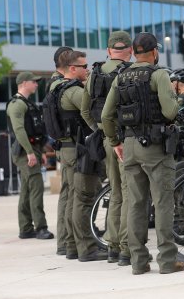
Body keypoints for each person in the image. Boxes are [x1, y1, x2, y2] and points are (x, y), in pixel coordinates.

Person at [100, 32, 184, 275]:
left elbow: (107, 115)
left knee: (136, 204)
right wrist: (176, 99)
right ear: (154, 52)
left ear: (134, 53)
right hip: (156, 147)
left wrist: (114, 141)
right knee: (162, 203)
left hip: (129, 146)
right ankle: (167, 262)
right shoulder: (158, 74)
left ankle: (138, 262)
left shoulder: (121, 76)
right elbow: (170, 112)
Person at [81, 30, 133, 265]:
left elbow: (85, 110)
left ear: (108, 50)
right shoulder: (130, 72)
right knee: (130, 193)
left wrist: (102, 130)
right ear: (130, 50)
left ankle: (112, 245)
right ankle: (125, 248)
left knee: (115, 192)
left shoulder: (94, 73)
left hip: (105, 137)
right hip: (126, 140)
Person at [50, 50, 106, 262]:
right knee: (83, 197)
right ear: (72, 69)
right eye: (84, 66)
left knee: (74, 197)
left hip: (69, 149)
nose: (88, 69)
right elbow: (93, 111)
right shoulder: (72, 91)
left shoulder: (58, 87)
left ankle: (72, 245)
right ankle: (87, 248)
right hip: (78, 150)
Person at [7, 71, 54, 240]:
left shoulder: (27, 103)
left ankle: (26, 228)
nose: (36, 84)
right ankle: (41, 227)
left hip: (32, 149)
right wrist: (29, 152)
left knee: (27, 190)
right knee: (36, 189)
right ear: (24, 83)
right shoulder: (17, 104)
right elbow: (19, 130)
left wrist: (39, 152)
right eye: (33, 82)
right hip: (24, 151)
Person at [49, 45, 72, 255]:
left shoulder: (54, 82)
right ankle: (65, 240)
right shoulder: (60, 84)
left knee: (68, 191)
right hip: (68, 145)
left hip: (62, 144)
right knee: (69, 192)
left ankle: (66, 239)